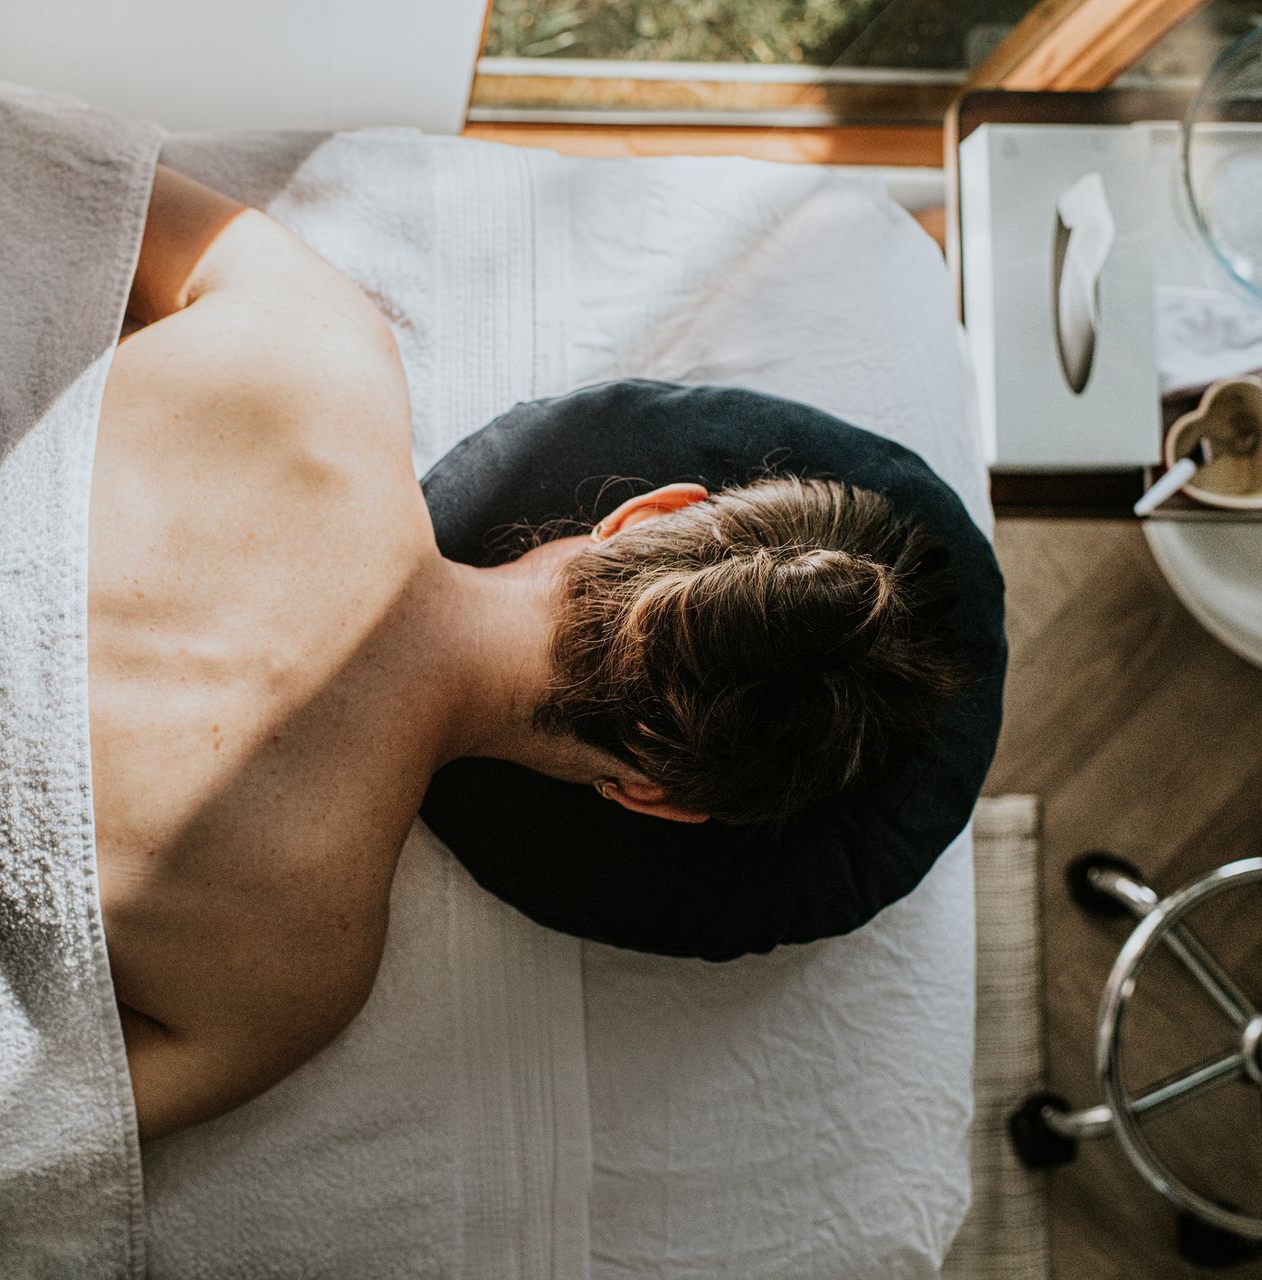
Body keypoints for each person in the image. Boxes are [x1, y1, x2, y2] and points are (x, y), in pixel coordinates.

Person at [92, 167, 961, 1140]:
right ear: (656, 794)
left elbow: (51, 190)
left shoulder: (321, 346)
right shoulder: (297, 967)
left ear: (651, 511)